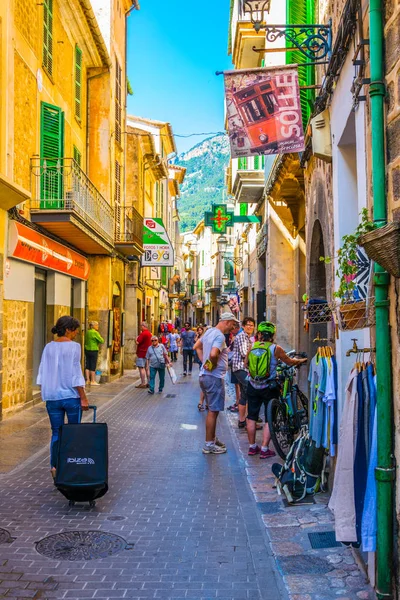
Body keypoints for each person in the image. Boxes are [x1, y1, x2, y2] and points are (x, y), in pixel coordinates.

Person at [245, 321, 307, 458]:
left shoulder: (252, 346)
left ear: (259, 334)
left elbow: (246, 364)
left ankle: (252, 447)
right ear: (272, 335)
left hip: (253, 385)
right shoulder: (275, 348)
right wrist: (301, 361)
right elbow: (289, 362)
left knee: (251, 416)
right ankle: (265, 449)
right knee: (269, 418)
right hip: (268, 386)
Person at [37, 316, 89, 479]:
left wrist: (48, 390)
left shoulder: (48, 347)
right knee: (73, 433)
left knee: (56, 433)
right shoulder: (74, 347)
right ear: (68, 330)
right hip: (70, 396)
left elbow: (42, 373)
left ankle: (55, 466)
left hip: (52, 397)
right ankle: (71, 466)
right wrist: (83, 397)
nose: (76, 334)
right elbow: (75, 374)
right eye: (75, 331)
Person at [194, 312, 240, 454]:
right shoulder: (219, 336)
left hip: (205, 376)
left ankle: (212, 439)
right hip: (213, 377)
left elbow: (197, 346)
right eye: (233, 324)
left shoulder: (209, 332)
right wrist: (211, 364)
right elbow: (214, 354)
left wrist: (204, 362)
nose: (233, 327)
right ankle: (209, 445)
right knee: (213, 412)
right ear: (227, 322)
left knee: (211, 410)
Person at [231, 317, 255, 427]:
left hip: (244, 368)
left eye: (252, 325)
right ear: (244, 326)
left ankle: (242, 421)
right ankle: (251, 420)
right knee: (251, 389)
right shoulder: (242, 337)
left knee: (244, 394)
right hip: (240, 368)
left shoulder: (249, 338)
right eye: (248, 325)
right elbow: (244, 353)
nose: (250, 327)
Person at [84, 321, 104, 386]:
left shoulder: (87, 332)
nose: (98, 326)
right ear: (93, 326)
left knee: (87, 365)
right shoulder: (95, 332)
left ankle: (87, 380)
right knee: (93, 365)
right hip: (93, 350)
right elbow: (102, 340)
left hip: (87, 349)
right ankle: (93, 380)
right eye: (97, 325)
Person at [135, 322, 152, 388]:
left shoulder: (143, 334)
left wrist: (136, 338)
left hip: (141, 353)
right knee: (147, 368)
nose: (140, 327)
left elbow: (137, 342)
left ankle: (143, 383)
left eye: (141, 326)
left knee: (141, 368)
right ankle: (149, 382)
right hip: (147, 353)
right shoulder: (149, 334)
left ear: (143, 326)